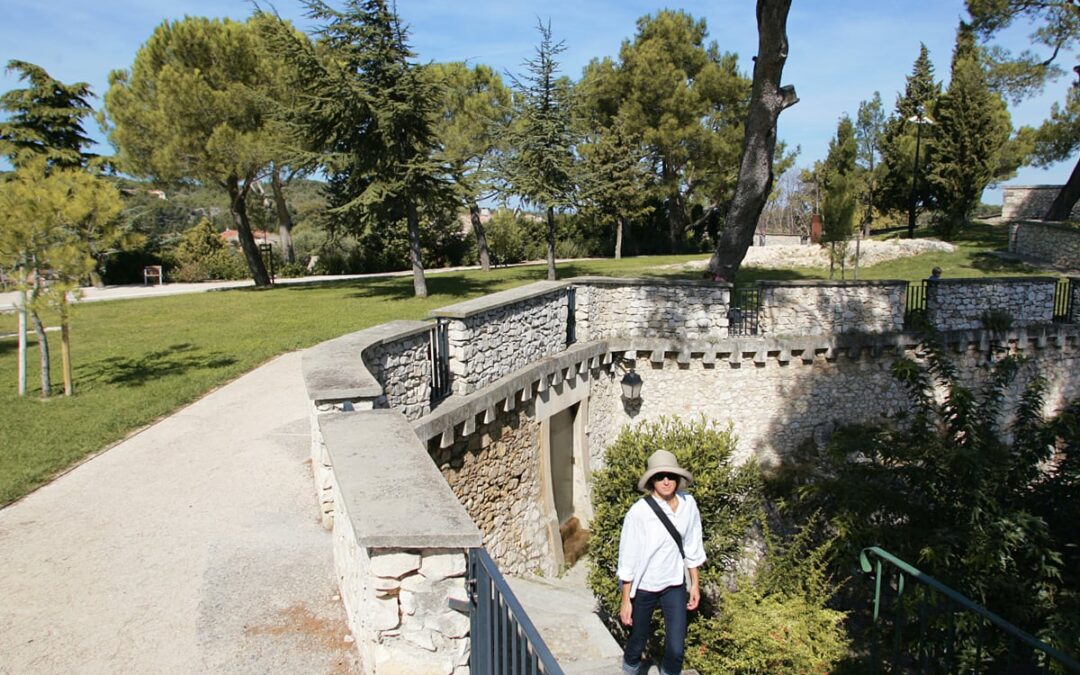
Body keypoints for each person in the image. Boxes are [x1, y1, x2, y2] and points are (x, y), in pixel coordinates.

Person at [618, 450, 706, 675]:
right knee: (637, 641)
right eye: (660, 477)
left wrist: (694, 584)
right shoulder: (638, 513)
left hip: (674, 584)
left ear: (678, 479)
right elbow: (629, 557)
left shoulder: (689, 505)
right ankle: (629, 670)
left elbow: (692, 546)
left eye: (670, 476)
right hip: (645, 586)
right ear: (652, 482)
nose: (666, 481)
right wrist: (626, 600)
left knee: (676, 648)